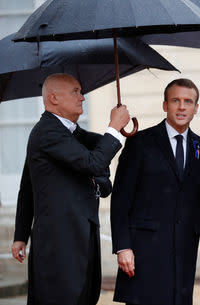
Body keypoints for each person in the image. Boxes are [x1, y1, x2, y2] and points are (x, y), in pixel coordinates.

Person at [11, 73, 130, 305]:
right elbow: (94, 162)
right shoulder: (47, 131)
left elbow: (99, 153)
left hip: (82, 239)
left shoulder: (71, 132)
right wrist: (114, 126)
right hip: (59, 246)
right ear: (53, 98)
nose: (82, 98)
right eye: (76, 91)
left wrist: (121, 132)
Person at [110, 78, 200, 305]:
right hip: (144, 251)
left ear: (197, 109)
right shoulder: (140, 142)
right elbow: (120, 199)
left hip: (185, 250)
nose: (182, 106)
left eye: (188, 102)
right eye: (175, 100)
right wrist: (122, 246)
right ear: (165, 105)